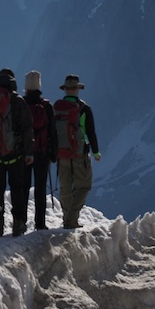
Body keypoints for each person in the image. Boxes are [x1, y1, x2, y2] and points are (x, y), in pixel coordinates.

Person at [0, 68, 34, 237]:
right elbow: (27, 129)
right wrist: (29, 152)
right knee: (17, 188)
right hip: (14, 154)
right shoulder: (17, 101)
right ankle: (18, 223)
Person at [54, 74, 100, 229]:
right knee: (83, 186)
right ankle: (71, 219)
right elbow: (90, 132)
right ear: (77, 89)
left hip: (62, 153)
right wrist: (96, 152)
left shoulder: (57, 108)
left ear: (65, 89)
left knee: (65, 187)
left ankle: (67, 217)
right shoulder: (84, 108)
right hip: (80, 153)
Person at [21, 70, 57, 230]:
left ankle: (21, 220)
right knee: (40, 188)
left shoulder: (20, 104)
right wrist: (53, 153)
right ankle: (40, 223)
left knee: (23, 187)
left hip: (24, 152)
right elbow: (53, 131)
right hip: (42, 153)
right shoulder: (46, 106)